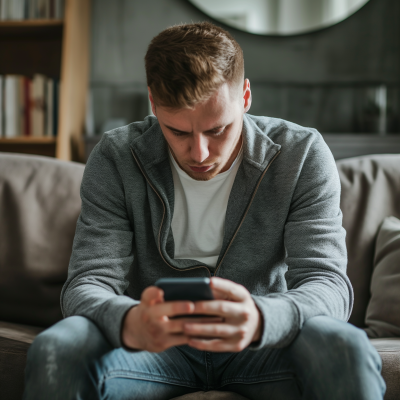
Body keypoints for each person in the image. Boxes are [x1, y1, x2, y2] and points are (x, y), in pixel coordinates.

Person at [23, 22, 385, 400]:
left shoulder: (302, 154)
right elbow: (87, 283)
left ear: (245, 96)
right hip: (153, 352)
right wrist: (130, 323)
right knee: (58, 346)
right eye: (177, 131)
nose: (199, 154)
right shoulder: (116, 156)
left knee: (345, 345)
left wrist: (262, 320)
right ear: (152, 102)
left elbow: (328, 284)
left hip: (265, 345)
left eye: (217, 130)